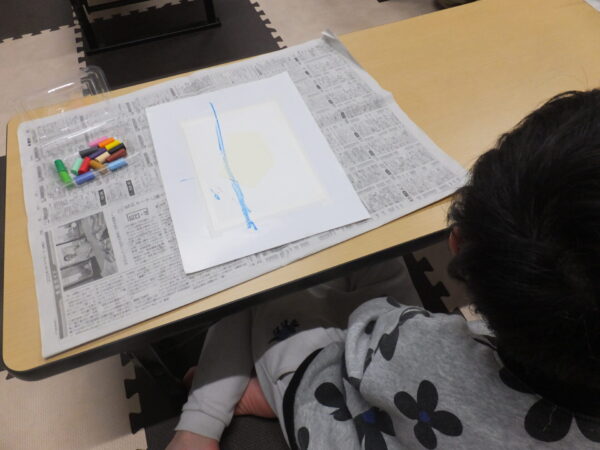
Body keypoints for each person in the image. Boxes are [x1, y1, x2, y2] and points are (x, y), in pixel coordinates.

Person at [168, 89, 600, 449]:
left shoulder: (420, 349)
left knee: (268, 278)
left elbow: (367, 331)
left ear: (458, 245)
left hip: (338, 414)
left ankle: (202, 422)